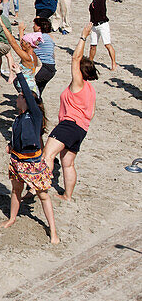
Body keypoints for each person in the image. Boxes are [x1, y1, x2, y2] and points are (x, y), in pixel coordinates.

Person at [0, 62, 60, 244]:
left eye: (19, 97)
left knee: (43, 195)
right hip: (17, 160)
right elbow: (19, 136)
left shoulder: (34, 115)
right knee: (16, 190)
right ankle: (12, 218)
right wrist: (11, 145)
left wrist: (19, 74)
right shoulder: (19, 118)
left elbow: (28, 93)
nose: (16, 99)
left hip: (33, 162)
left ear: (25, 99)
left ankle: (53, 232)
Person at [43, 24, 98, 202]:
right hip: (81, 130)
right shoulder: (90, 89)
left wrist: (83, 36)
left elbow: (75, 58)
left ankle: (38, 188)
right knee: (67, 163)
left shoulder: (78, 84)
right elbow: (92, 113)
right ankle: (67, 195)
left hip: (69, 125)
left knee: (47, 155)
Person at [84, 0, 116, 71]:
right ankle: (90, 62)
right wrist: (90, 26)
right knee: (93, 45)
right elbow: (92, 16)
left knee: (107, 44)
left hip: (103, 25)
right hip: (94, 26)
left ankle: (113, 63)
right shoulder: (92, 3)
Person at [31, 18, 57, 94]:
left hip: (43, 68)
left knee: (24, 83)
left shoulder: (39, 37)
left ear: (39, 28)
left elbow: (24, 47)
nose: (33, 27)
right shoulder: (49, 37)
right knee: (38, 92)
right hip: (51, 68)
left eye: (34, 25)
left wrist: (21, 31)